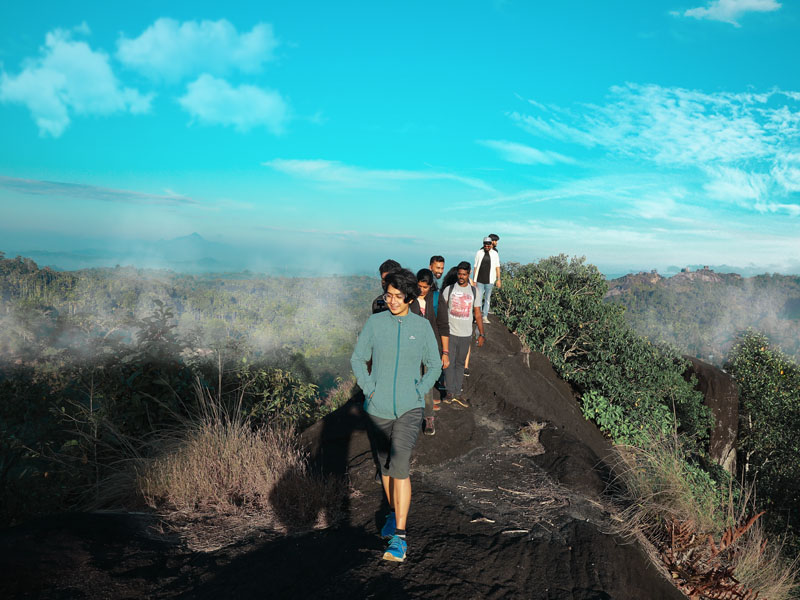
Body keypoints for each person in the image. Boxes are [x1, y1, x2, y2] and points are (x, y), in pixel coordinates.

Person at [351, 268, 442, 563]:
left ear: (409, 297)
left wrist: (420, 391)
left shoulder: (422, 326)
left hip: (408, 408)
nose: (391, 301)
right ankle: (392, 513)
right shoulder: (376, 323)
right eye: (388, 295)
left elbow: (434, 365)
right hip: (377, 409)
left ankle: (399, 537)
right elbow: (357, 357)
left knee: (400, 465)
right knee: (386, 469)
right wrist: (369, 389)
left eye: (397, 296)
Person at [437, 261, 485, 408]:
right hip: (450, 332)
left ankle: (457, 392)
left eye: (464, 274)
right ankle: (450, 392)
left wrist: (481, 334)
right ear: (457, 273)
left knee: (460, 363)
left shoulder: (475, 291)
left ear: (469, 273)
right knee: (449, 363)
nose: (461, 277)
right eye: (459, 274)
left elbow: (477, 313)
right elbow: (442, 312)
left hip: (466, 334)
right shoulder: (449, 290)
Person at [416, 268, 447, 435]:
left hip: (430, 348)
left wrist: (445, 352)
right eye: (419, 286)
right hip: (412, 348)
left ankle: (429, 418)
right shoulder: (409, 299)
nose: (421, 290)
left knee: (426, 384)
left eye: (425, 287)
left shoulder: (436, 299)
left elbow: (443, 326)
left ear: (430, 286)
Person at [473, 237, 501, 323]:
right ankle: (478, 316)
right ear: (483, 244)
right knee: (479, 298)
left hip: (490, 280)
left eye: (489, 244)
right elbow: (475, 266)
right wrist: (474, 280)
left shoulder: (495, 254)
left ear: (491, 244)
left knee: (487, 298)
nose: (487, 246)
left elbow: (497, 267)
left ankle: (485, 316)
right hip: (479, 279)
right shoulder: (479, 253)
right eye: (485, 244)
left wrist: (498, 279)